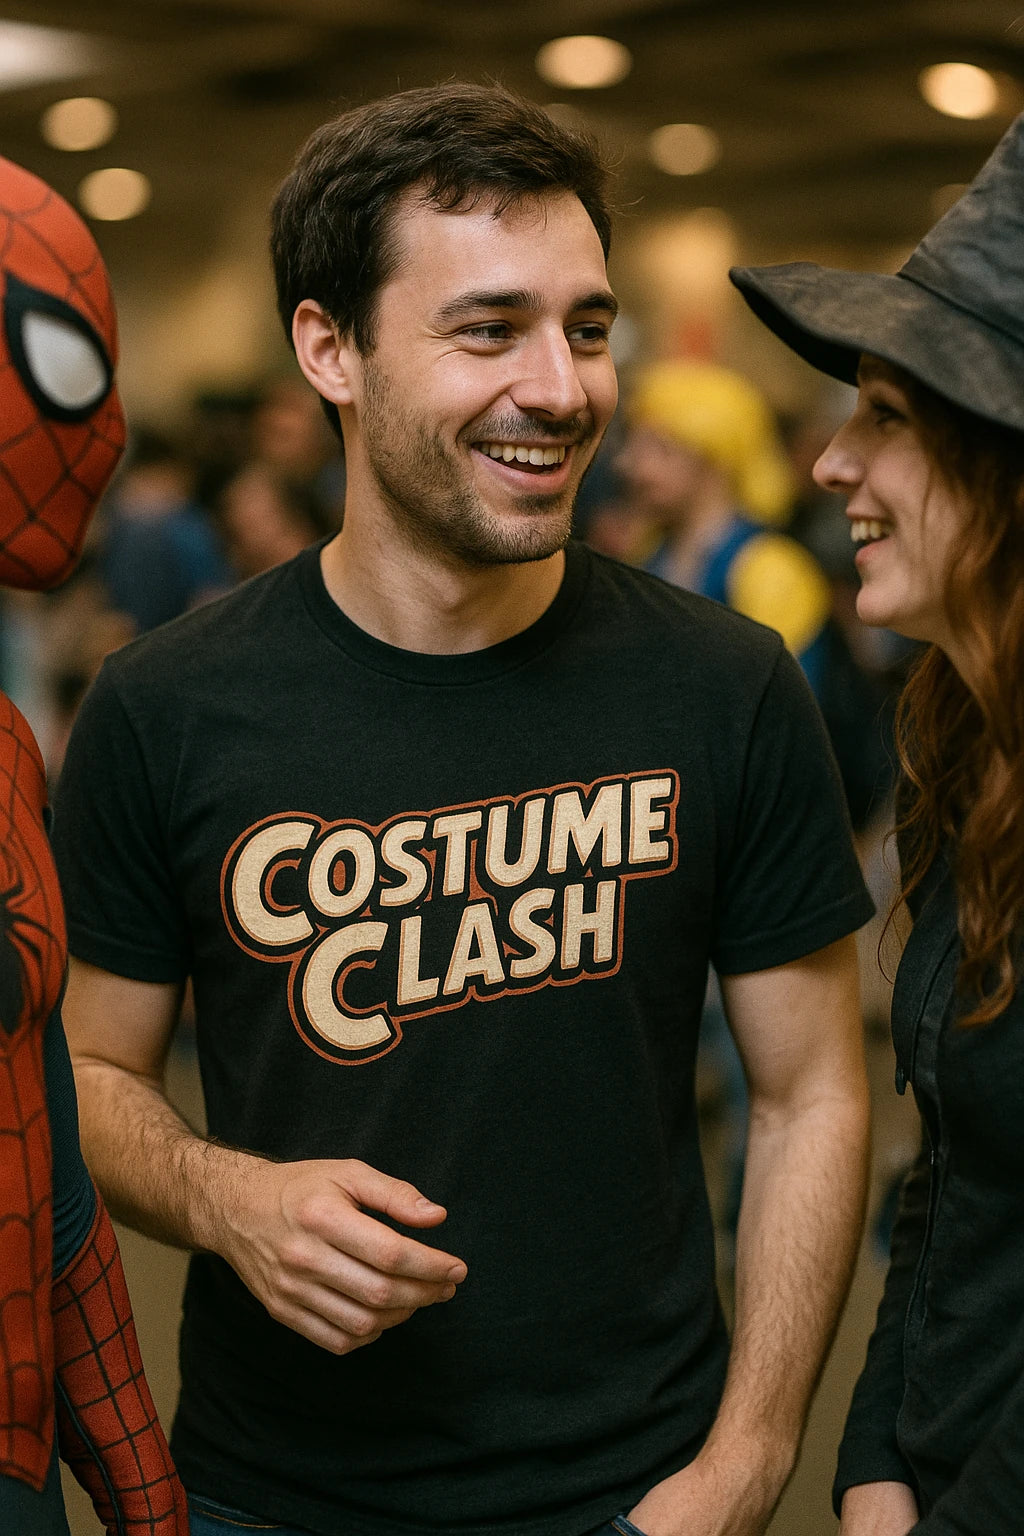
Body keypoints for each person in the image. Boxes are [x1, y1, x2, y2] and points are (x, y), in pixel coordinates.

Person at [54, 84, 872, 1536]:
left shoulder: (725, 685)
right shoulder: (166, 707)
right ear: (332, 350)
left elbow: (811, 1092)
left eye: (590, 327)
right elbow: (94, 1078)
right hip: (274, 1495)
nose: (562, 388)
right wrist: (227, 1197)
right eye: (488, 330)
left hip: (635, 1490)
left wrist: (748, 1463)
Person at [731, 108, 1024, 1536]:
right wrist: (871, 1462)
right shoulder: (961, 749)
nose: (833, 466)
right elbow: (955, 1180)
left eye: (890, 420)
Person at [0, 157, 187, 1534]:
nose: (104, 429)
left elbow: (44, 1148)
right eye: (61, 363)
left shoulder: (10, 751)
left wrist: (141, 1486)